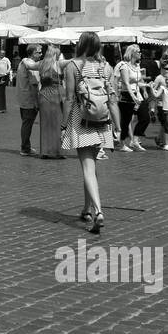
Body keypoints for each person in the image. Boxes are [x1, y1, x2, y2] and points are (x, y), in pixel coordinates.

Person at [62, 31, 119, 234]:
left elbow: (68, 99)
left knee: (87, 166)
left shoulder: (73, 66)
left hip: (82, 117)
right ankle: (87, 209)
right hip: (102, 119)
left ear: (81, 44)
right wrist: (118, 127)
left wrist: (63, 124)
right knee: (92, 166)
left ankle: (98, 211)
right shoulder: (106, 67)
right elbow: (113, 99)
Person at [34, 44, 66, 159]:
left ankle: (45, 151)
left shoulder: (41, 64)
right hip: (56, 96)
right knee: (58, 124)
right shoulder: (58, 64)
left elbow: (29, 65)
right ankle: (57, 151)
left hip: (44, 96)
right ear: (55, 54)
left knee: (45, 124)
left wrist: (23, 60)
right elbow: (73, 61)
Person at [115, 45, 146, 152]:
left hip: (137, 95)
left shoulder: (137, 66)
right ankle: (122, 143)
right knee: (126, 120)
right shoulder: (124, 66)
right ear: (132, 53)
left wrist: (147, 86)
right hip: (126, 95)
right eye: (138, 51)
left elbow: (138, 82)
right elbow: (126, 83)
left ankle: (134, 141)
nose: (140, 53)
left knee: (145, 117)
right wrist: (133, 96)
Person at [16, 44, 41, 156]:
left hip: (22, 98)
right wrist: (36, 102)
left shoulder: (23, 62)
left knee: (26, 123)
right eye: (39, 52)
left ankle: (26, 146)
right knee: (27, 124)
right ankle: (25, 148)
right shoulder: (32, 66)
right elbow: (34, 85)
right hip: (29, 100)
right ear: (32, 53)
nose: (41, 54)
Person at [153, 63, 168, 150]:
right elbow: (153, 89)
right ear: (162, 69)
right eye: (166, 68)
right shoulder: (159, 78)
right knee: (165, 123)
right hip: (161, 104)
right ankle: (163, 142)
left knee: (167, 124)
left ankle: (159, 139)